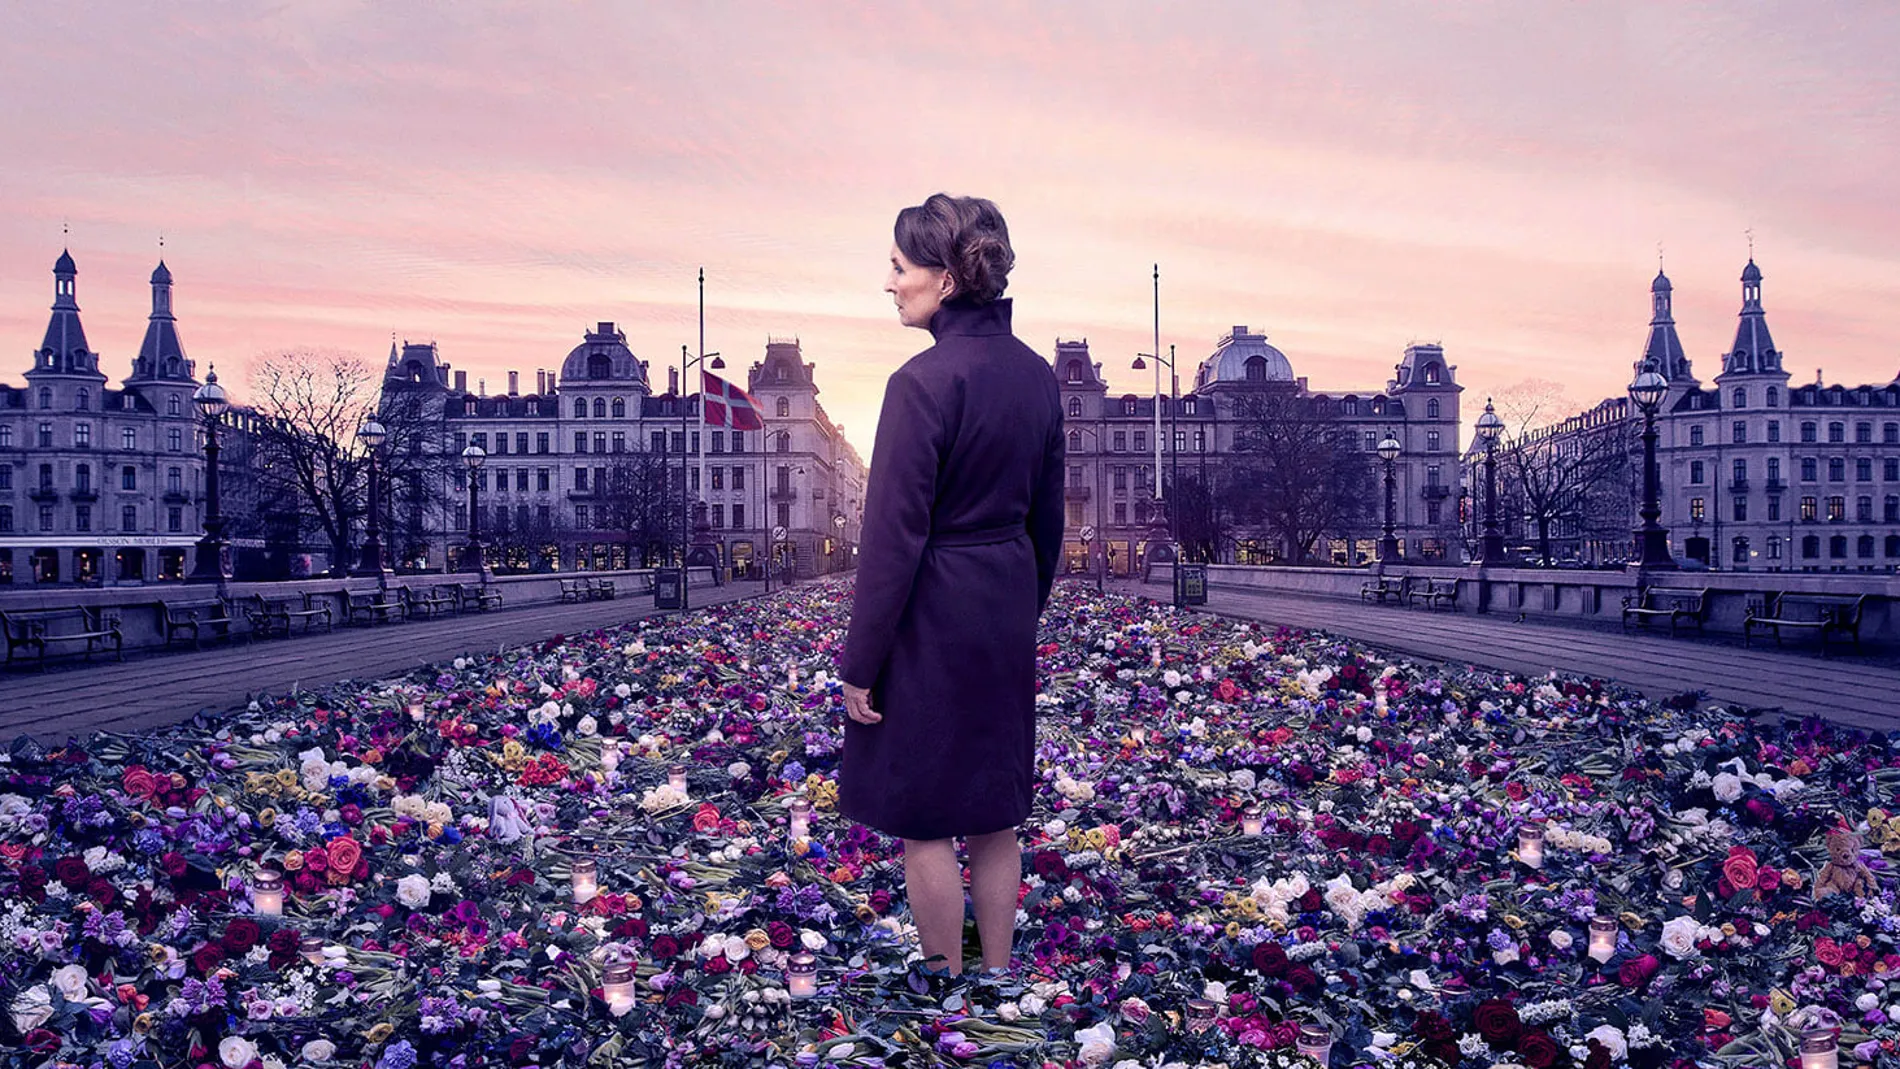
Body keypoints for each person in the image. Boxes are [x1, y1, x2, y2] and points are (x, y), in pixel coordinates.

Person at [838, 193, 1065, 978]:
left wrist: (859, 661)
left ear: (942, 276)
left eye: (899, 267)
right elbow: (1049, 524)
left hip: (932, 610)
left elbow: (891, 539)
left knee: (927, 815)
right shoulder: (1038, 377)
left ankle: (947, 987)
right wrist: (1015, 611)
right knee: (996, 813)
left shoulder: (920, 382)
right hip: (1003, 602)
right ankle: (998, 976)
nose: (891, 283)